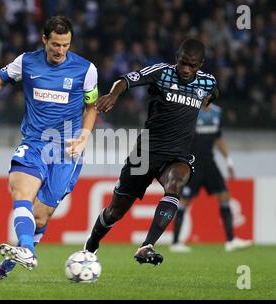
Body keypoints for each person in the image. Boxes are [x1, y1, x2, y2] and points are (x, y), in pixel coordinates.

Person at [0, 16, 98, 280]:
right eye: (55, 44)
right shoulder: (26, 62)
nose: (60, 50)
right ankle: (28, 251)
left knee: (41, 218)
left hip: (67, 151)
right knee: (20, 189)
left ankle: (6, 268)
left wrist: (84, 137)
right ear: (44, 40)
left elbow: (92, 107)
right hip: (34, 143)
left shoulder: (86, 70)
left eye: (65, 45)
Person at [84, 38, 218, 266]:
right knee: (116, 211)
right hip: (145, 152)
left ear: (201, 64)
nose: (186, 69)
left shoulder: (207, 82)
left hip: (178, 155)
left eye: (192, 65)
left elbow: (214, 91)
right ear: (177, 57)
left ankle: (147, 246)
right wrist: (114, 95)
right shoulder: (161, 72)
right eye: (183, 63)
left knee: (176, 185)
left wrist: (209, 98)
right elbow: (127, 80)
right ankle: (90, 246)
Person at [170, 103, 252, 253]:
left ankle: (230, 241)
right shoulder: (190, 112)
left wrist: (229, 161)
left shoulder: (216, 112)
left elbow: (218, 138)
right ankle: (175, 243)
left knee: (224, 195)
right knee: (184, 201)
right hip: (193, 163)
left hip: (209, 162)